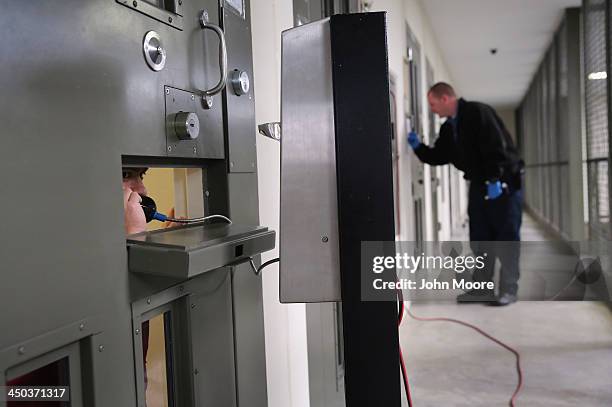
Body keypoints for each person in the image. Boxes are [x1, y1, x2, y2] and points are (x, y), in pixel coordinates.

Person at [408, 82, 523, 306]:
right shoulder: (449, 128)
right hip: (480, 185)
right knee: (480, 240)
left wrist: (494, 179)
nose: (432, 110)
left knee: (505, 238)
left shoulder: (478, 112)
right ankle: (482, 290)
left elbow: (496, 147)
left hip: (503, 183)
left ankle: (509, 290)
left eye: (433, 104)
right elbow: (439, 156)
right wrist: (417, 147)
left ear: (446, 99)